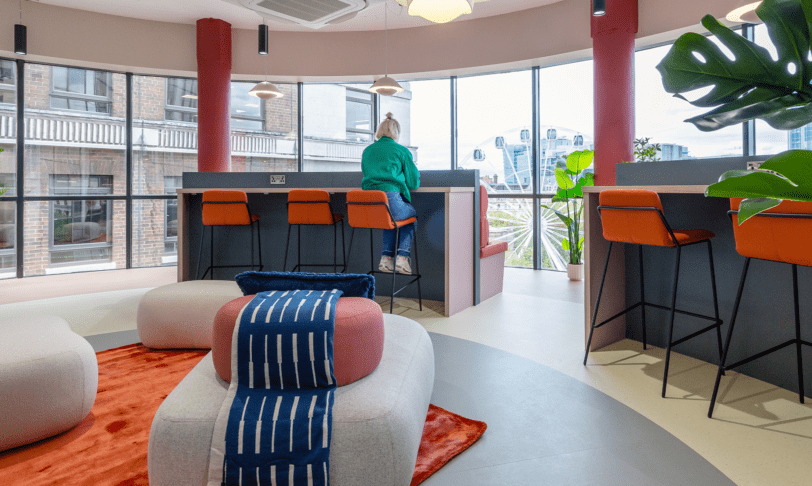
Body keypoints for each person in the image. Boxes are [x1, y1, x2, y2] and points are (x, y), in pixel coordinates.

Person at [361, 112, 420, 275]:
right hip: (391, 199)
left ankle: (386, 259)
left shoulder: (367, 151)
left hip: (369, 205)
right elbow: (414, 182)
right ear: (397, 133)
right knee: (410, 217)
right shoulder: (401, 151)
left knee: (390, 220)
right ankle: (402, 258)